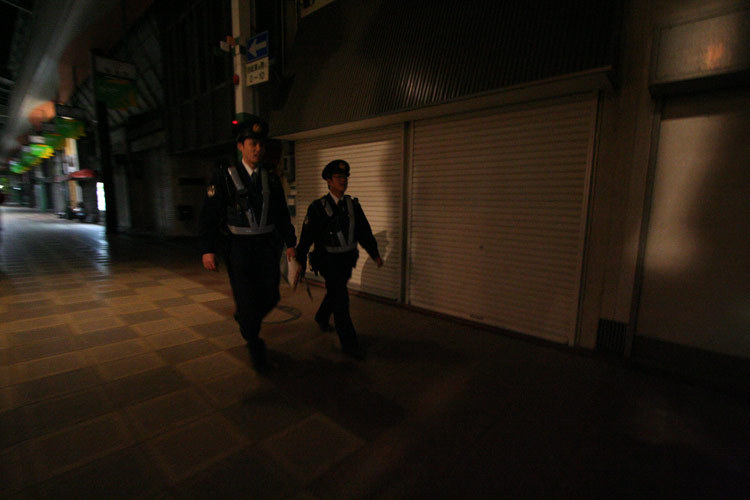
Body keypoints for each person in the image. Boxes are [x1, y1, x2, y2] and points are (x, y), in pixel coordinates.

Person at [199, 115, 296, 371]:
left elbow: (281, 214)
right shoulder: (224, 176)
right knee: (247, 299)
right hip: (239, 249)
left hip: (267, 246)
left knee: (271, 295)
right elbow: (209, 215)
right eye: (252, 143)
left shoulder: (271, 177)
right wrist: (208, 249)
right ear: (241, 146)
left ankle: (246, 319)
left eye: (261, 144)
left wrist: (290, 242)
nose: (258, 149)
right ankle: (254, 343)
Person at [295, 159, 383, 359]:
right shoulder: (317, 207)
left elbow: (364, 231)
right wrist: (299, 261)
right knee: (341, 300)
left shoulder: (353, 205)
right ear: (328, 180)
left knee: (336, 291)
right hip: (328, 261)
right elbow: (307, 237)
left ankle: (321, 316)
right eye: (338, 177)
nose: (343, 180)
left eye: (345, 177)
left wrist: (375, 253)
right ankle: (350, 345)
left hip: (347, 260)